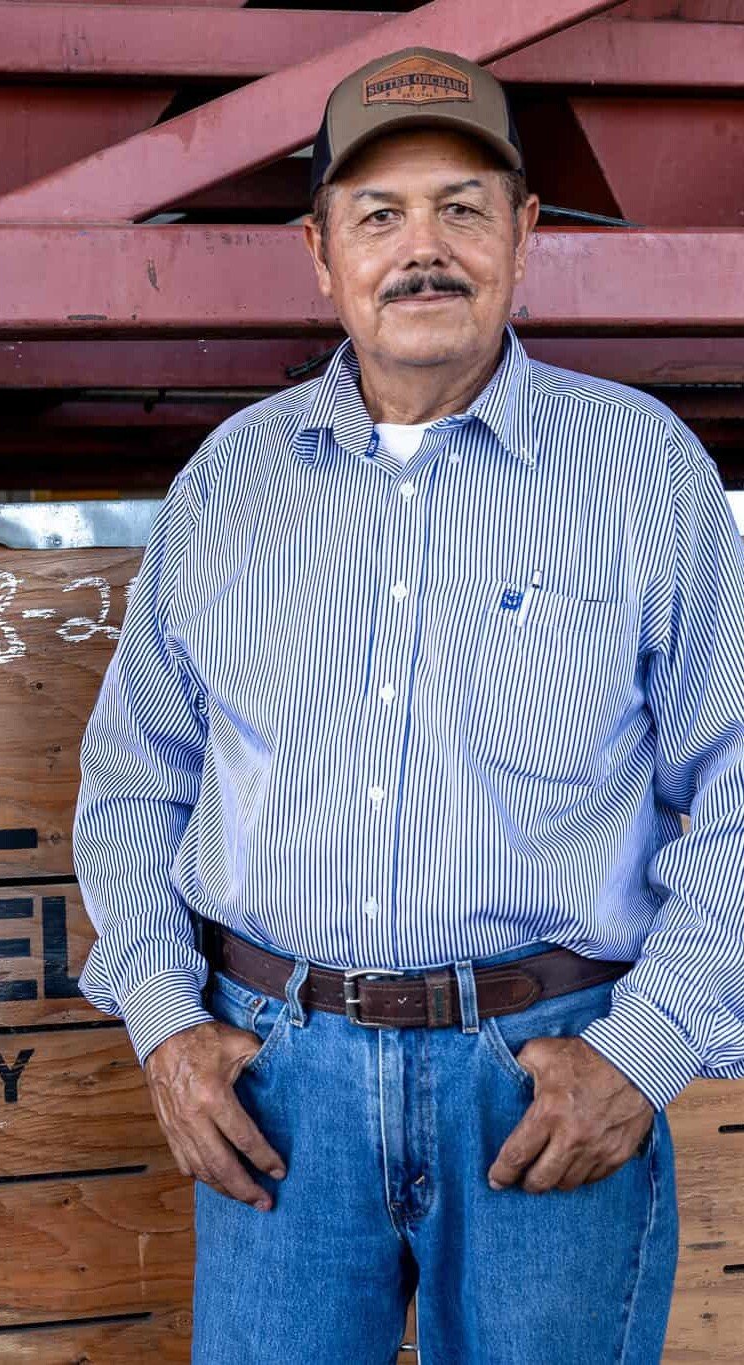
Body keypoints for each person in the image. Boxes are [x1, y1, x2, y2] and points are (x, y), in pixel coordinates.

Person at [72, 45, 744, 1364]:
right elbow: (134, 779)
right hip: (275, 1090)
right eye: (376, 214)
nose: (419, 248)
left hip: (547, 1078)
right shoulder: (231, 484)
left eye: (460, 206)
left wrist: (647, 1048)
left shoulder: (642, 472)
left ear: (524, 233)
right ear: (320, 253)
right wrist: (163, 1019)